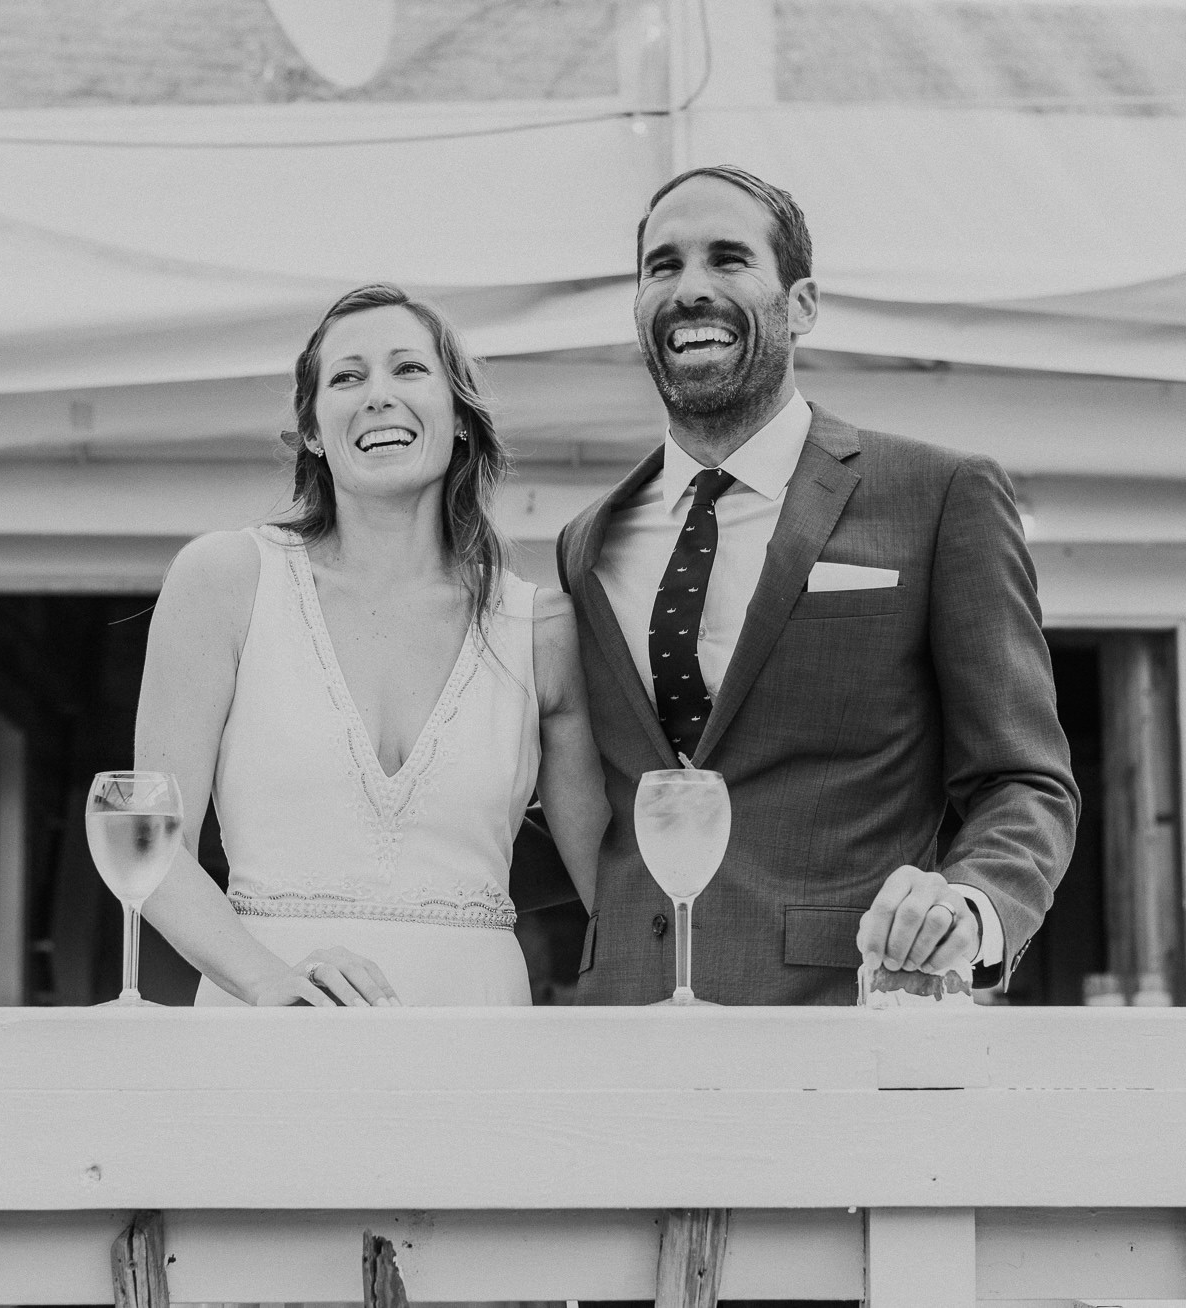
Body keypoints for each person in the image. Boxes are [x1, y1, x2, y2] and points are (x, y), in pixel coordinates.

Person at [558, 165, 1079, 1005]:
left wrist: (972, 905)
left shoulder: (941, 497)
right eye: (664, 266)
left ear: (801, 303)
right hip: (622, 1022)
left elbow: (1022, 780)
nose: (691, 288)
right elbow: (580, 805)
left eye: (729, 260)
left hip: (846, 1016)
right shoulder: (585, 545)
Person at [136, 283, 607, 1007]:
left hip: (477, 1038)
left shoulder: (539, 627)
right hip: (271, 1032)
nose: (378, 395)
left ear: (459, 420)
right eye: (348, 377)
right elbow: (152, 843)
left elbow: (611, 884)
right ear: (315, 431)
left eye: (409, 370)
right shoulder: (225, 580)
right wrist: (271, 983)